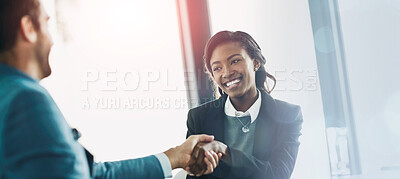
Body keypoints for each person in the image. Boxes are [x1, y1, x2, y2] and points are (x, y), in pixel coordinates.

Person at [0, 0, 219, 178]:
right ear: (29, 28)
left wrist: (174, 157)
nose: (52, 41)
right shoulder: (26, 99)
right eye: (47, 25)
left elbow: (92, 174)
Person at [185, 31, 303, 179]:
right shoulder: (199, 118)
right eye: (217, 68)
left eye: (235, 61)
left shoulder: (287, 114)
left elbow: (279, 174)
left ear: (255, 63)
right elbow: (195, 174)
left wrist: (226, 152)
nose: (227, 72)